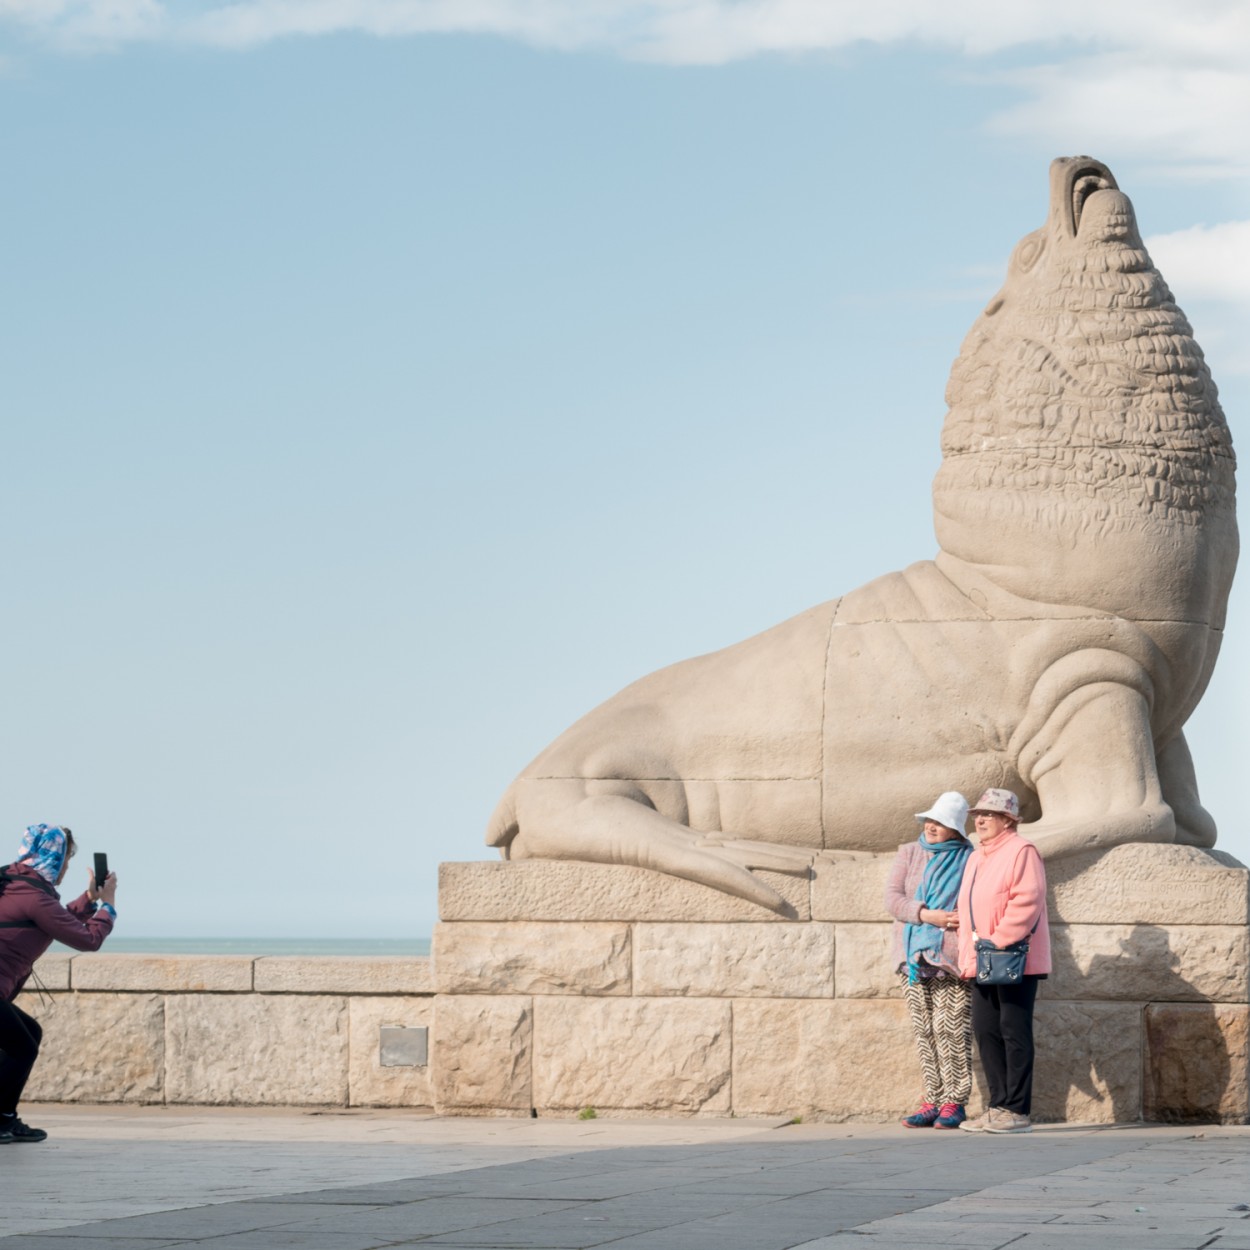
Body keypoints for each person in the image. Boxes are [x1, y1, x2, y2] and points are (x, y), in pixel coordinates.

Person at [0, 824, 117, 1144]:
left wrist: (89, 898)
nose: (67, 866)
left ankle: (5, 1118)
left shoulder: (14, 881)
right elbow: (89, 940)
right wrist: (107, 905)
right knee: (21, 1046)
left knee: (27, 1036)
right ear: (54, 857)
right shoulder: (34, 896)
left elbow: (53, 920)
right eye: (66, 859)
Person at [956, 789, 1051, 1135]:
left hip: (1012, 957)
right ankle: (997, 1106)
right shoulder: (976, 856)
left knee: (1014, 1030)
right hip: (981, 958)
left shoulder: (1021, 850)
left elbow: (1028, 899)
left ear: (1008, 819)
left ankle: (1016, 1109)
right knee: (986, 1030)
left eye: (989, 815)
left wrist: (998, 938)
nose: (979, 820)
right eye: (977, 814)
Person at [884, 791, 974, 1130]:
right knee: (925, 1031)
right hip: (912, 957)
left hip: (950, 957)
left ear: (956, 830)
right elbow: (893, 899)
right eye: (931, 820)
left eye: (942, 823)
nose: (933, 827)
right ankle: (932, 1099)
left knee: (952, 1030)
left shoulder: (969, 858)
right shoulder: (909, 853)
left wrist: (956, 920)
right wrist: (927, 915)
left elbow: (976, 901)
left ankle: (955, 1101)